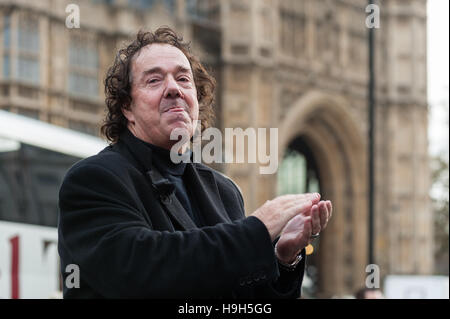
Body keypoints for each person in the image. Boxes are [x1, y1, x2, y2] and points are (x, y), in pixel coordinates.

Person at [58, 27, 333, 298]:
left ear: (197, 100)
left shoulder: (224, 191)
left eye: (183, 79)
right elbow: (144, 272)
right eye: (154, 80)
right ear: (127, 108)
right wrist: (256, 231)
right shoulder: (94, 180)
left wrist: (282, 258)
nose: (173, 89)